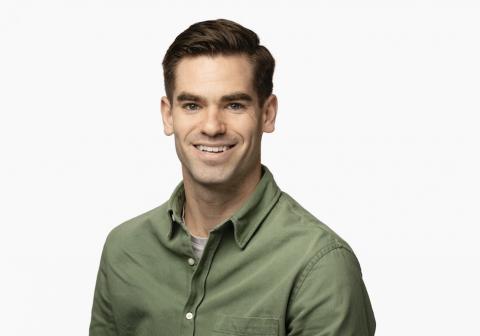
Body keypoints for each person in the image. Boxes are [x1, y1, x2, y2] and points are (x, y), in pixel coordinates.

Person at [89, 18, 376, 336]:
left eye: (235, 105)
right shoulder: (124, 250)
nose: (212, 126)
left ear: (267, 114)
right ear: (168, 115)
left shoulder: (320, 266)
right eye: (192, 105)